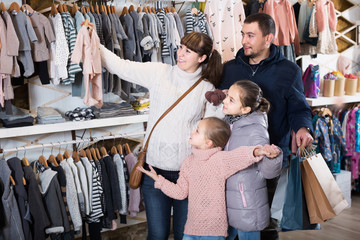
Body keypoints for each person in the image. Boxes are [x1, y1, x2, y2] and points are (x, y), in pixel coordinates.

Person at [99, 32, 223, 240]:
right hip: (153, 170)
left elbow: (212, 136)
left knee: (186, 235)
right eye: (181, 47)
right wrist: (93, 40)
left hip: (188, 175)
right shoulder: (159, 72)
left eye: (188, 51)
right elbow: (121, 66)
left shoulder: (207, 89)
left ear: (202, 58)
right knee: (157, 235)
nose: (180, 54)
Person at [219, 13, 314, 239]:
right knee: (232, 217)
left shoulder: (289, 71)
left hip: (269, 158)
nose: (244, 41)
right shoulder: (230, 68)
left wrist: (303, 128)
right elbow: (220, 107)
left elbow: (299, 108)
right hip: (233, 157)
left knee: (264, 220)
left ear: (268, 38)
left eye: (251, 35)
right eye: (243, 34)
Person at [137, 117, 281, 240]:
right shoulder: (188, 162)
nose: (192, 132)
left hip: (214, 232)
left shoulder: (219, 160)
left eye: (198, 130)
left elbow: (242, 156)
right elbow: (180, 192)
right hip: (191, 230)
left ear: (208, 143)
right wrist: (158, 179)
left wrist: (261, 150)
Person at [222, 80, 282, 240]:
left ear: (246, 109)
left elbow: (268, 173)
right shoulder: (230, 122)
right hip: (230, 199)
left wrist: (273, 157)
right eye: (227, 95)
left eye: (231, 99)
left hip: (246, 202)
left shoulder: (256, 131)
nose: (224, 100)